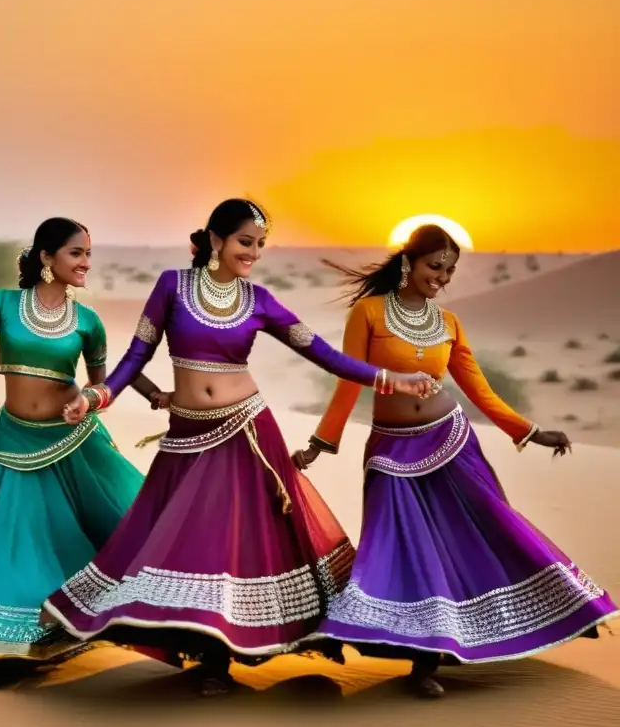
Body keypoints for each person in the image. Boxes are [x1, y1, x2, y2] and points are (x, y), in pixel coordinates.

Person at [41, 198, 435, 697]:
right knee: (190, 550)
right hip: (188, 438)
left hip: (246, 432)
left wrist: (392, 379)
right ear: (215, 240)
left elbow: (327, 357)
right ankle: (207, 656)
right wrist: (97, 396)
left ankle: (217, 663)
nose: (253, 252)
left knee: (233, 550)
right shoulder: (172, 287)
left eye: (260, 245)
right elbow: (136, 354)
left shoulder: (260, 299)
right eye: (246, 242)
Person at [292, 223, 618, 698]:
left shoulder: (449, 323)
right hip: (390, 452)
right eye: (434, 266)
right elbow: (348, 383)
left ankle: (448, 658)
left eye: (450, 270)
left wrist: (527, 431)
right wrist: (320, 444)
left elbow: (478, 389)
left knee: (482, 534)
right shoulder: (368, 312)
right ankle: (418, 652)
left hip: (451, 443)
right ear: (409, 261)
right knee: (403, 549)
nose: (442, 277)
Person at [0, 217, 160, 663]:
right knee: (12, 541)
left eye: (88, 254)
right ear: (47, 257)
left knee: (100, 533)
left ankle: (60, 626)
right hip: (14, 442)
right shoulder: (5, 304)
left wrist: (86, 399)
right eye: (76, 253)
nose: (85, 262)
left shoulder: (88, 321)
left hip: (72, 444)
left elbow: (102, 386)